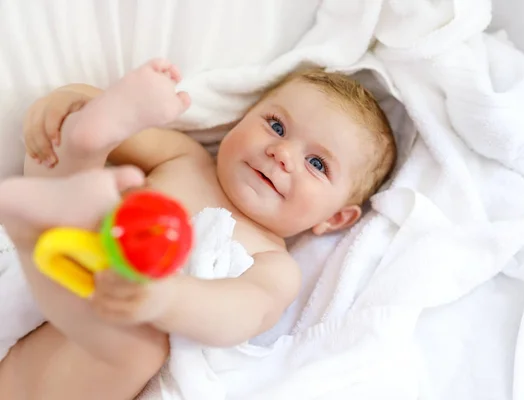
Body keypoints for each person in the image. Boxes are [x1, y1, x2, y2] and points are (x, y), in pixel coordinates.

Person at [0, 58, 396, 399]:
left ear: (335, 219)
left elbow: (245, 311)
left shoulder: (273, 263)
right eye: (276, 126)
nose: (283, 153)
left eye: (317, 164)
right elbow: (104, 115)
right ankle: (84, 140)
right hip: (57, 262)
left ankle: (70, 169)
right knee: (74, 179)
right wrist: (69, 103)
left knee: (141, 344)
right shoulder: (184, 159)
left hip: (61, 363)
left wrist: (167, 299)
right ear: (241, 119)